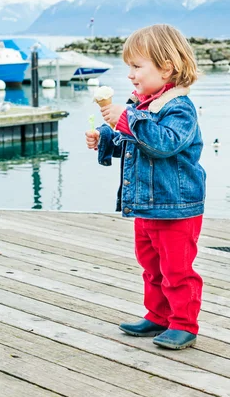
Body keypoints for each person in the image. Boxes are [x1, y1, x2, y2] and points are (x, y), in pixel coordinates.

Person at [85, 24, 205, 350]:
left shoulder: (178, 108)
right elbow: (134, 143)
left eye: (137, 66)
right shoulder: (140, 104)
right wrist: (107, 138)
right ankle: (158, 315)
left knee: (176, 269)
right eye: (130, 67)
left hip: (176, 206)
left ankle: (184, 324)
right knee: (150, 265)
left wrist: (126, 118)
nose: (130, 75)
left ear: (166, 66)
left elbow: (164, 144)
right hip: (147, 203)